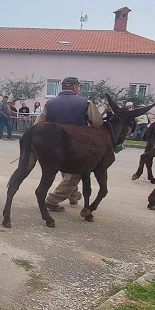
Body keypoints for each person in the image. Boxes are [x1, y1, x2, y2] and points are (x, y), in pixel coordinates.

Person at [35, 76, 104, 212]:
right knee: (76, 172)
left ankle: (73, 196)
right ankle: (53, 199)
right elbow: (97, 123)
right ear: (75, 87)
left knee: (65, 170)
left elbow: (38, 124)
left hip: (54, 144)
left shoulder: (50, 104)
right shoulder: (85, 102)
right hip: (76, 143)